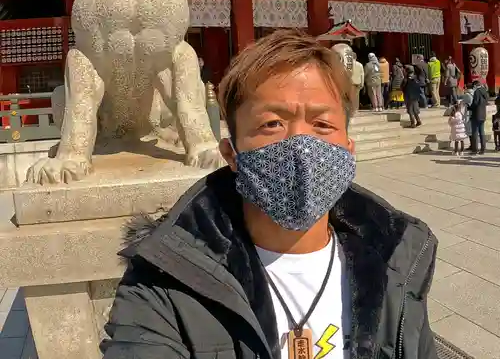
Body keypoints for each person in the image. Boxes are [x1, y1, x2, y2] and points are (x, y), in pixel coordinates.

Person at [101, 29, 438, 359]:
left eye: (322, 124)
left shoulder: (395, 262)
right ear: (232, 153)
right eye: (272, 124)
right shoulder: (166, 282)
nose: (301, 146)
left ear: (348, 150)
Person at [470, 80, 489, 155]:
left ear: (475, 85)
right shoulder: (485, 91)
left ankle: (475, 149)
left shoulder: (477, 92)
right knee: (482, 132)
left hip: (476, 114)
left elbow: (475, 103)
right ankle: (483, 149)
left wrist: (469, 107)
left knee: (475, 132)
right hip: (483, 114)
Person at [462, 83, 474, 150]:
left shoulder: (466, 95)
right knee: (472, 130)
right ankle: (473, 145)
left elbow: (463, 103)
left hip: (468, 113)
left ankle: (472, 145)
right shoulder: (475, 93)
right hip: (474, 113)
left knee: (469, 130)